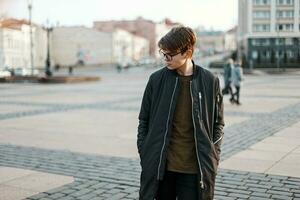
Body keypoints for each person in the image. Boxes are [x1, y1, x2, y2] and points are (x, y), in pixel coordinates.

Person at [137, 26, 225, 200]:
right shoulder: (156, 80)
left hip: (194, 170)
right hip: (161, 168)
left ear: (187, 52)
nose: (166, 59)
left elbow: (218, 123)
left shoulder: (210, 81)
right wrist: (145, 151)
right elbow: (144, 120)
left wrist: (212, 153)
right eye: (164, 54)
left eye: (170, 55)